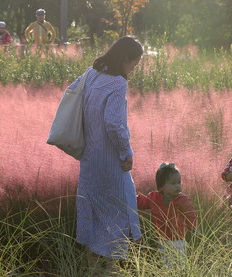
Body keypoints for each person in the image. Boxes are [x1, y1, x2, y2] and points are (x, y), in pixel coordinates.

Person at [73, 36, 143, 275]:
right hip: (110, 163)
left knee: (92, 213)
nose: (135, 67)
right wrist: (127, 152)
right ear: (125, 58)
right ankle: (111, 271)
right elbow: (114, 124)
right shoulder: (118, 84)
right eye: (135, 62)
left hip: (89, 159)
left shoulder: (91, 75)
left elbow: (71, 96)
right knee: (115, 216)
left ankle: (92, 270)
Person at [137, 163, 197, 268]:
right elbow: (143, 202)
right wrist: (131, 198)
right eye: (173, 183)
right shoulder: (154, 198)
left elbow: (190, 214)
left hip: (178, 239)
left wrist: (193, 227)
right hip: (163, 240)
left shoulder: (182, 199)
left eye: (179, 182)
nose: (177, 186)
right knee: (166, 264)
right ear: (162, 187)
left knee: (180, 264)